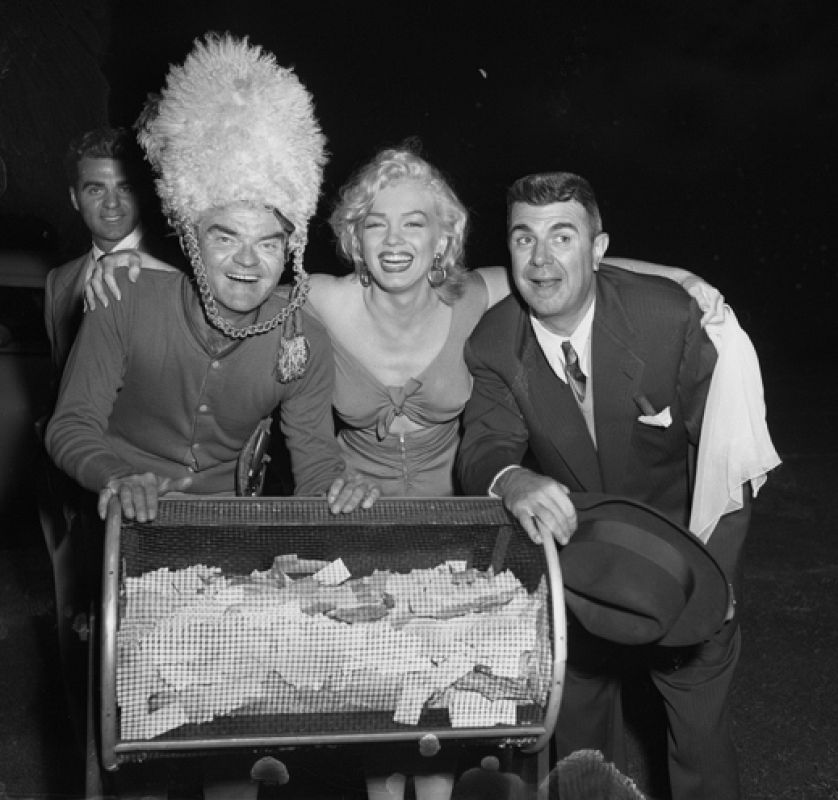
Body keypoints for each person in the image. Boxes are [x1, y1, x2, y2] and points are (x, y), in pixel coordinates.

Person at [84, 148, 725, 800]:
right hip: (359, 527)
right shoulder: (324, 302)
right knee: (376, 712)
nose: (394, 242)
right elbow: (231, 276)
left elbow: (560, 265)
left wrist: (676, 274)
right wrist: (136, 265)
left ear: (442, 235)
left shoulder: (478, 295)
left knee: (447, 720)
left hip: (457, 537)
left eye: (414, 223)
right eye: (375, 224)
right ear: (353, 236)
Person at [456, 171, 776, 800]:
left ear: (598, 249)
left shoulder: (670, 319)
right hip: (580, 572)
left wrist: (721, 583)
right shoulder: (495, 341)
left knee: (701, 751)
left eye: (562, 238)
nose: (541, 261)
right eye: (524, 240)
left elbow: (729, 460)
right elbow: (483, 448)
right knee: (579, 755)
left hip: (684, 557)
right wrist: (513, 477)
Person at [44, 125, 180, 388]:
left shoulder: (176, 274)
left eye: (124, 188)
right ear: (74, 198)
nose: (111, 204)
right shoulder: (57, 282)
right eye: (96, 190)